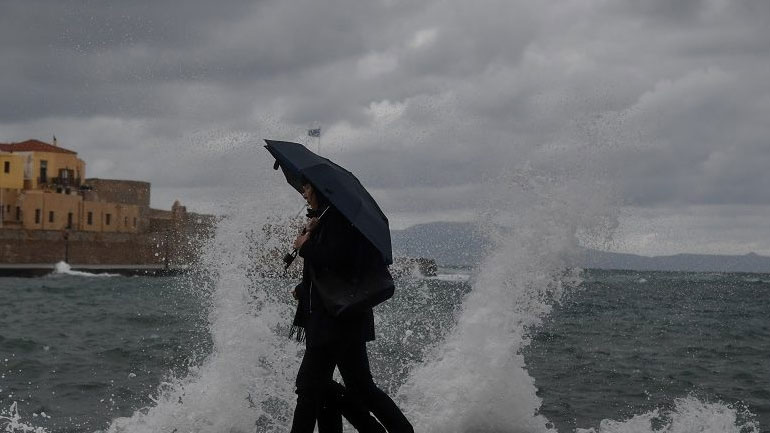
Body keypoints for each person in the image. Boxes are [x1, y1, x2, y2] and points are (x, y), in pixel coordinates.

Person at [289, 181, 413, 433]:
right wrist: (302, 289)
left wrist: (305, 246)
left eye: (307, 188)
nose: (303, 193)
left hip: (334, 322)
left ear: (321, 189)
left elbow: (338, 260)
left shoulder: (338, 219)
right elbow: (330, 278)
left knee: (309, 387)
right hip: (340, 319)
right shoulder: (327, 218)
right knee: (355, 386)